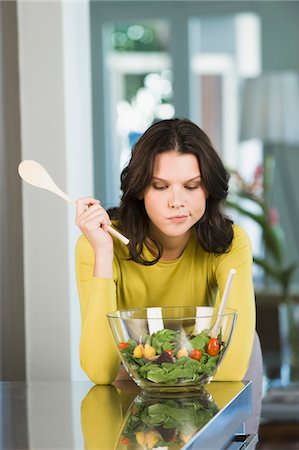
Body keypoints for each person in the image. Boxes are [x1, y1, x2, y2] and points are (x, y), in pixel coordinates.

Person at [75, 117, 256, 387]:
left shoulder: (230, 243)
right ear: (140, 190)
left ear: (208, 189)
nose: (176, 202)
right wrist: (103, 254)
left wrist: (148, 369)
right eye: (160, 187)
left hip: (203, 398)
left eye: (191, 186)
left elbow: (230, 371)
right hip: (133, 401)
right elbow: (101, 372)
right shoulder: (98, 243)